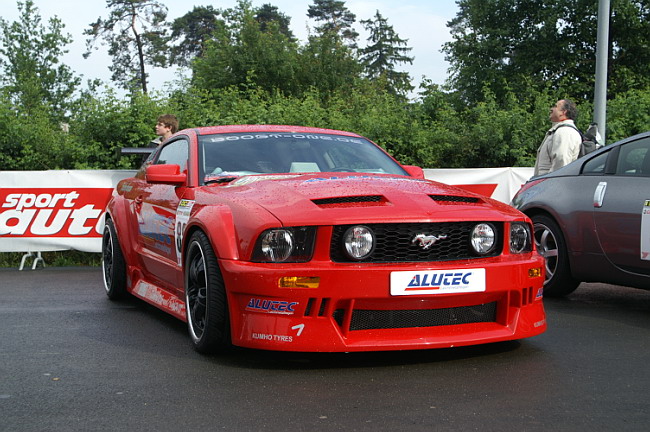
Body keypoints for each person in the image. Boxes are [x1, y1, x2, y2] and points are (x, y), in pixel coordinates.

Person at [533, 99, 582, 176]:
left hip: (551, 181)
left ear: (563, 112)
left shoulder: (565, 131)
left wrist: (550, 180)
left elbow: (561, 160)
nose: (551, 109)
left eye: (555, 106)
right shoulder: (561, 130)